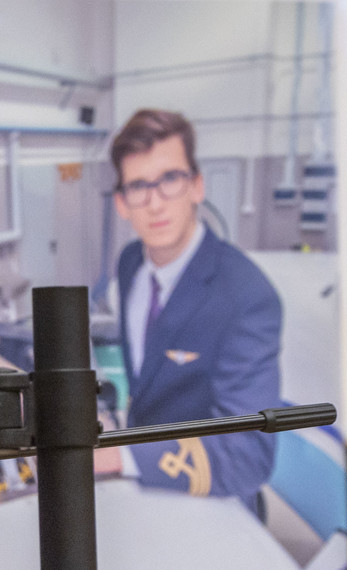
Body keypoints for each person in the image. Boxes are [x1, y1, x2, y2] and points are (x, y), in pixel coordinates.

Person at [100, 108, 282, 508]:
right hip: (144, 489)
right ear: (122, 203)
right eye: (138, 186)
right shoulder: (130, 264)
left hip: (213, 499)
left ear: (197, 186)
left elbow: (247, 454)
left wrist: (118, 456)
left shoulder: (246, 295)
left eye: (170, 179)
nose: (155, 203)